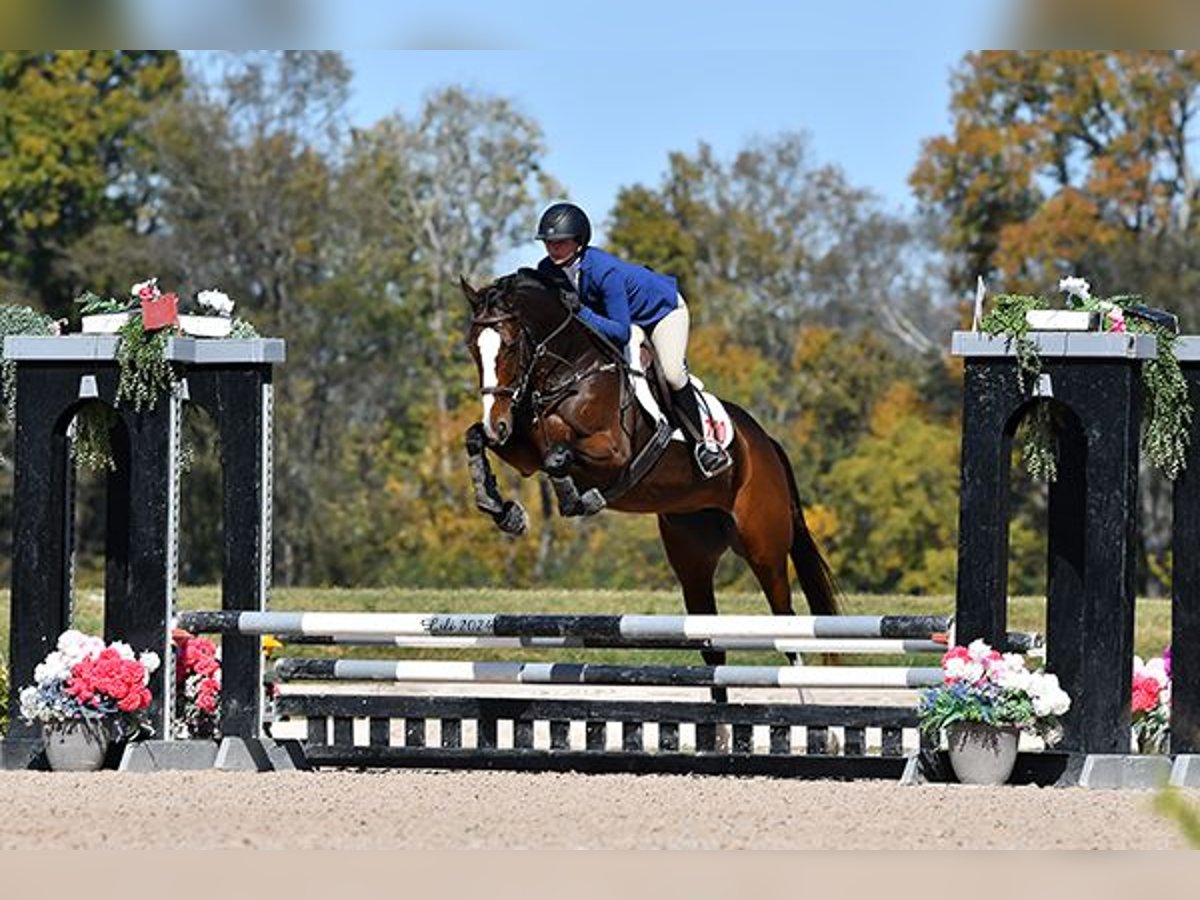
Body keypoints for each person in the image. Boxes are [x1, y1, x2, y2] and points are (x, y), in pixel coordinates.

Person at [535, 201, 731, 478]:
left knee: (673, 373)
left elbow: (621, 332)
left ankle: (705, 445)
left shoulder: (605, 271)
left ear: (579, 242)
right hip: (623, 318)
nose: (553, 248)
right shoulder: (548, 269)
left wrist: (580, 311)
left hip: (661, 312)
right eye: (549, 242)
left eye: (560, 242)